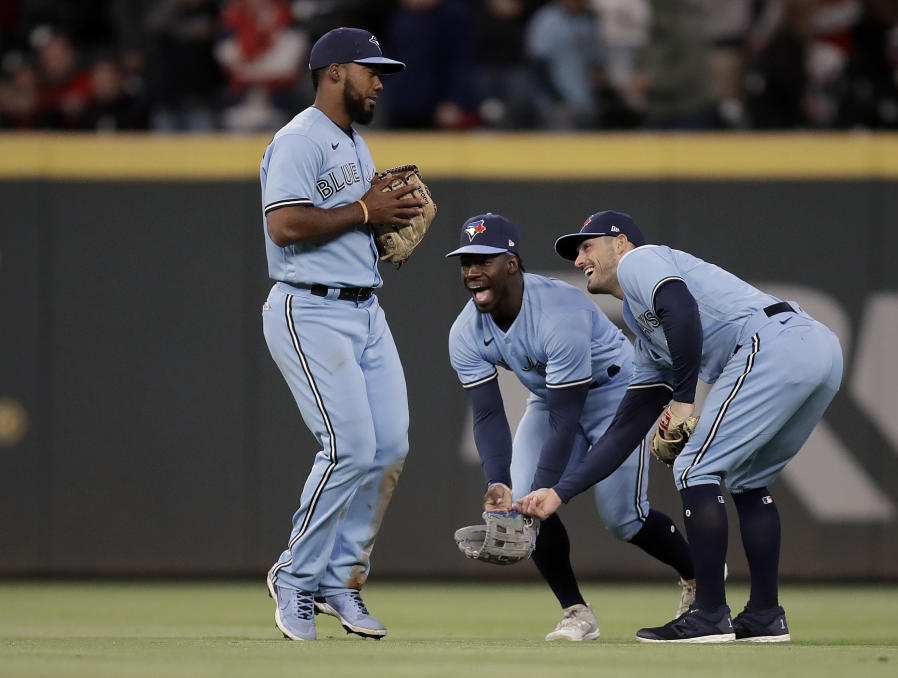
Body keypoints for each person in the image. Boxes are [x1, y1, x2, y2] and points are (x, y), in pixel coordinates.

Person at [516, 211, 843, 643]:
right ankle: (765, 614)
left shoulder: (641, 260)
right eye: (576, 252)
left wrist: (684, 399)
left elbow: (682, 310)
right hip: (818, 350)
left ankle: (708, 614)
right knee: (748, 479)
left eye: (587, 246)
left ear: (621, 243)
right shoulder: (640, 321)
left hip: (774, 344)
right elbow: (626, 427)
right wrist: (559, 493)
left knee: (693, 468)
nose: (579, 259)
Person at [446, 213, 696, 641]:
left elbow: (567, 418)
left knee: (623, 519)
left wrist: (548, 493)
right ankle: (576, 612)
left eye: (483, 260)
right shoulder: (465, 332)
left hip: (616, 393)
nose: (471, 271)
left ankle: (698, 578)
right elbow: (487, 415)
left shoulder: (557, 311)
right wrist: (497, 483)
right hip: (549, 398)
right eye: (465, 261)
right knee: (523, 502)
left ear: (511, 263)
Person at [259, 27, 425, 641]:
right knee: (349, 447)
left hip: (365, 312)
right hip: (311, 309)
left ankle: (339, 581)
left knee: (388, 449)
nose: (379, 82)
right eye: (370, 70)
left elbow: (352, 222)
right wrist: (364, 212)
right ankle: (296, 578)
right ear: (334, 72)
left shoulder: (355, 143)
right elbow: (283, 225)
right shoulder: (299, 139)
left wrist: (378, 229)